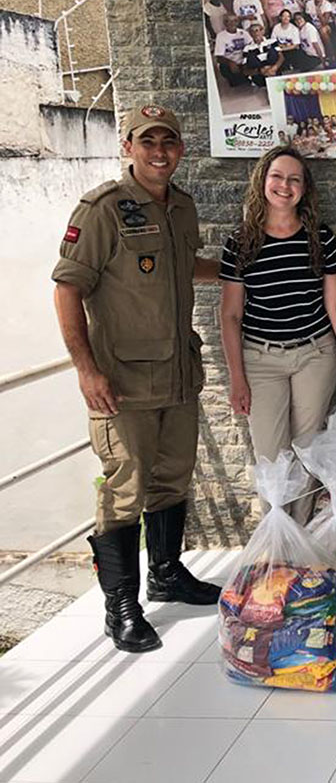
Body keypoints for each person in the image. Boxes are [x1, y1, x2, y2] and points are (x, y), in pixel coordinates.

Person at [52, 105, 222, 653]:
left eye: (169, 142)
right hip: (121, 384)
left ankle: (167, 573)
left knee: (172, 479)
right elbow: (68, 288)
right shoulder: (102, 210)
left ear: (180, 149)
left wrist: (239, 267)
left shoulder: (182, 208)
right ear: (129, 147)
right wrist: (86, 370)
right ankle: (120, 607)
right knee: (123, 492)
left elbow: (182, 266)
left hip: (177, 375)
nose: (159, 151)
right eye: (148, 142)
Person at [219, 147, 336, 522]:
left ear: (305, 189)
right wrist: (237, 378)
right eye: (277, 176)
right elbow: (229, 314)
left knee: (308, 450)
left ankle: (301, 540)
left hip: (314, 355)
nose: (285, 186)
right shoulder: (240, 242)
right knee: (271, 457)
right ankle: (277, 538)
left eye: (294, 179)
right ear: (262, 181)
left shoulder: (320, 238)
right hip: (260, 360)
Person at [242, 21, 284, 86]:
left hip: (273, 71)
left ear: (262, 32)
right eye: (252, 31)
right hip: (259, 73)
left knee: (272, 51)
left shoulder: (272, 41)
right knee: (251, 57)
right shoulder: (247, 48)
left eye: (257, 30)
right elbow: (245, 69)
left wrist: (274, 68)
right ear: (250, 34)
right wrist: (260, 71)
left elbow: (281, 57)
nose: (255, 33)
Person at [213, 13, 250, 87]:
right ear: (224, 23)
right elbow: (219, 57)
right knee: (238, 83)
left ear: (238, 22)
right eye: (228, 21)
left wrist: (246, 62)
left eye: (234, 21)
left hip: (243, 62)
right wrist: (230, 63)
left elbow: (251, 47)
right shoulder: (221, 36)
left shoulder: (244, 33)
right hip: (230, 64)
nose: (232, 23)